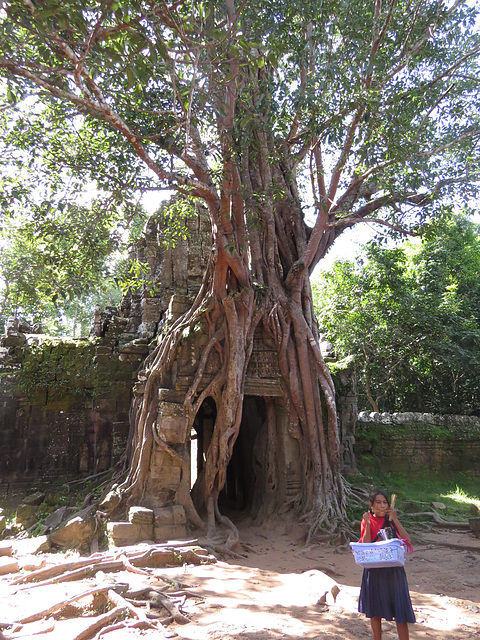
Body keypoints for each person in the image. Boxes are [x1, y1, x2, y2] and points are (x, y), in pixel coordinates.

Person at [358, 489, 415, 640]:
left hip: (393, 570)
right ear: (371, 505)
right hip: (374, 569)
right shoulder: (366, 520)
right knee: (375, 611)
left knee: (400, 609)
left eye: (385, 502)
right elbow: (366, 544)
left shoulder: (391, 521)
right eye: (378, 502)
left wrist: (395, 519)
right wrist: (368, 524)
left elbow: (406, 538)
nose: (382, 505)